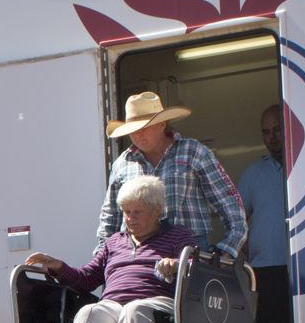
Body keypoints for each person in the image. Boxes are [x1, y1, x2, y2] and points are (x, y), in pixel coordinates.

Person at [26, 175, 196, 323]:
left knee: (135, 310)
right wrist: (58, 267)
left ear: (157, 211)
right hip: (114, 304)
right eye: (126, 212)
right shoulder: (114, 242)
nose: (130, 218)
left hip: (156, 303)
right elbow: (87, 279)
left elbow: (195, 264)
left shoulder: (177, 235)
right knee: (89, 313)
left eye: (138, 212)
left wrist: (177, 264)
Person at [97, 92, 247, 261]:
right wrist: (104, 261)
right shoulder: (122, 164)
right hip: (136, 255)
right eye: (132, 130)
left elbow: (230, 203)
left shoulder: (193, 152)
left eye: (143, 127)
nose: (137, 135)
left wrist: (226, 251)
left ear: (162, 124)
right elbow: (109, 220)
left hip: (189, 253)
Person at [238, 104, 293, 323]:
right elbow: (235, 219)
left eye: (278, 129)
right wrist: (248, 249)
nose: (272, 137)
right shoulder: (254, 173)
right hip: (267, 272)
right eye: (266, 132)